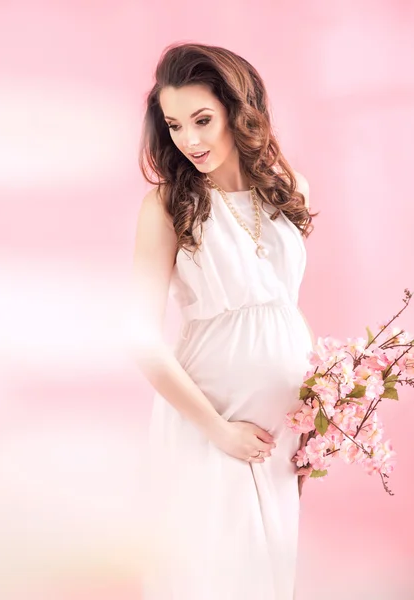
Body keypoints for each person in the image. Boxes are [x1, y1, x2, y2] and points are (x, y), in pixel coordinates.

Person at [128, 42, 318, 600]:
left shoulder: (289, 190)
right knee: (206, 577)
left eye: (202, 119)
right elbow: (140, 337)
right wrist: (219, 431)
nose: (189, 140)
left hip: (280, 437)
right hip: (206, 427)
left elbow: (285, 307)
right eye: (175, 125)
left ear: (239, 110)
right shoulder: (167, 205)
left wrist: (316, 414)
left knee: (266, 581)